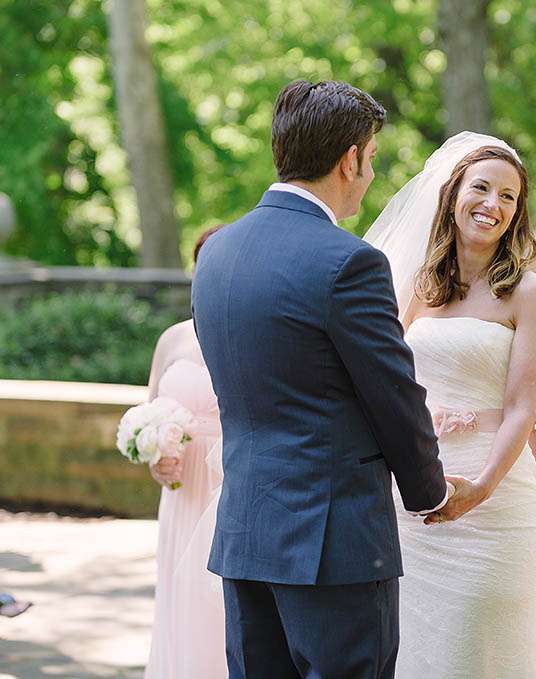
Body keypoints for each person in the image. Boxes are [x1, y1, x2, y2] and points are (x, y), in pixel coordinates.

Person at [191, 80, 453, 679]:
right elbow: (393, 394)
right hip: (335, 547)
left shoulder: (217, 255)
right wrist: (430, 492)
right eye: (372, 160)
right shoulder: (349, 262)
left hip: (246, 533)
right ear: (350, 159)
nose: (369, 175)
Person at [365, 133, 536, 678]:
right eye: (481, 188)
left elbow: (524, 405)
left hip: (497, 505)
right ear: (452, 195)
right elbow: (385, 385)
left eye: (509, 197)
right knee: (416, 654)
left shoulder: (529, 293)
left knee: (478, 652)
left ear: (518, 214)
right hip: (416, 503)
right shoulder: (416, 287)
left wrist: (481, 489)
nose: (492, 205)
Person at [144, 225, 225, 679]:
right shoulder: (172, 338)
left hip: (224, 484)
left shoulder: (247, 334)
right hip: (179, 489)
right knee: (178, 596)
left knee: (216, 601)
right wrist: (156, 457)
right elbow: (148, 410)